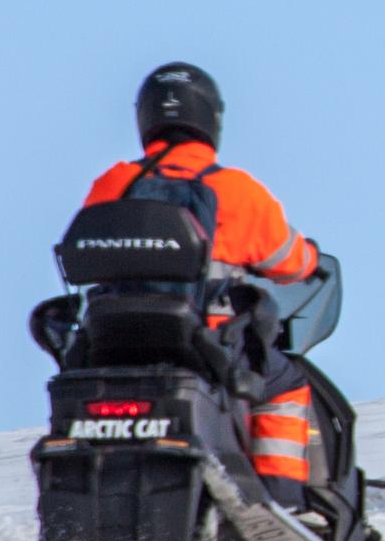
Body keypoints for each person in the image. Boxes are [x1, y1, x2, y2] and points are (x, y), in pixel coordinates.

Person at [79, 61, 329, 504]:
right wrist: (311, 257)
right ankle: (284, 500)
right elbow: (289, 262)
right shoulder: (236, 190)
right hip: (204, 343)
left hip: (111, 340)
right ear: (211, 118)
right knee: (285, 386)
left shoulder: (113, 181)